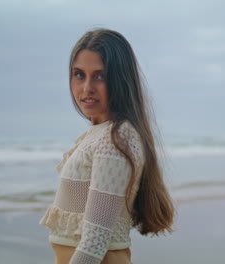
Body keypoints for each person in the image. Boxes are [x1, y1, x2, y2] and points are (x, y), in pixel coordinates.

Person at [39, 28, 174, 264]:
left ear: (120, 80)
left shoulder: (116, 139)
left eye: (100, 76)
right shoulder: (101, 133)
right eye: (79, 74)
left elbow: (93, 245)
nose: (87, 88)